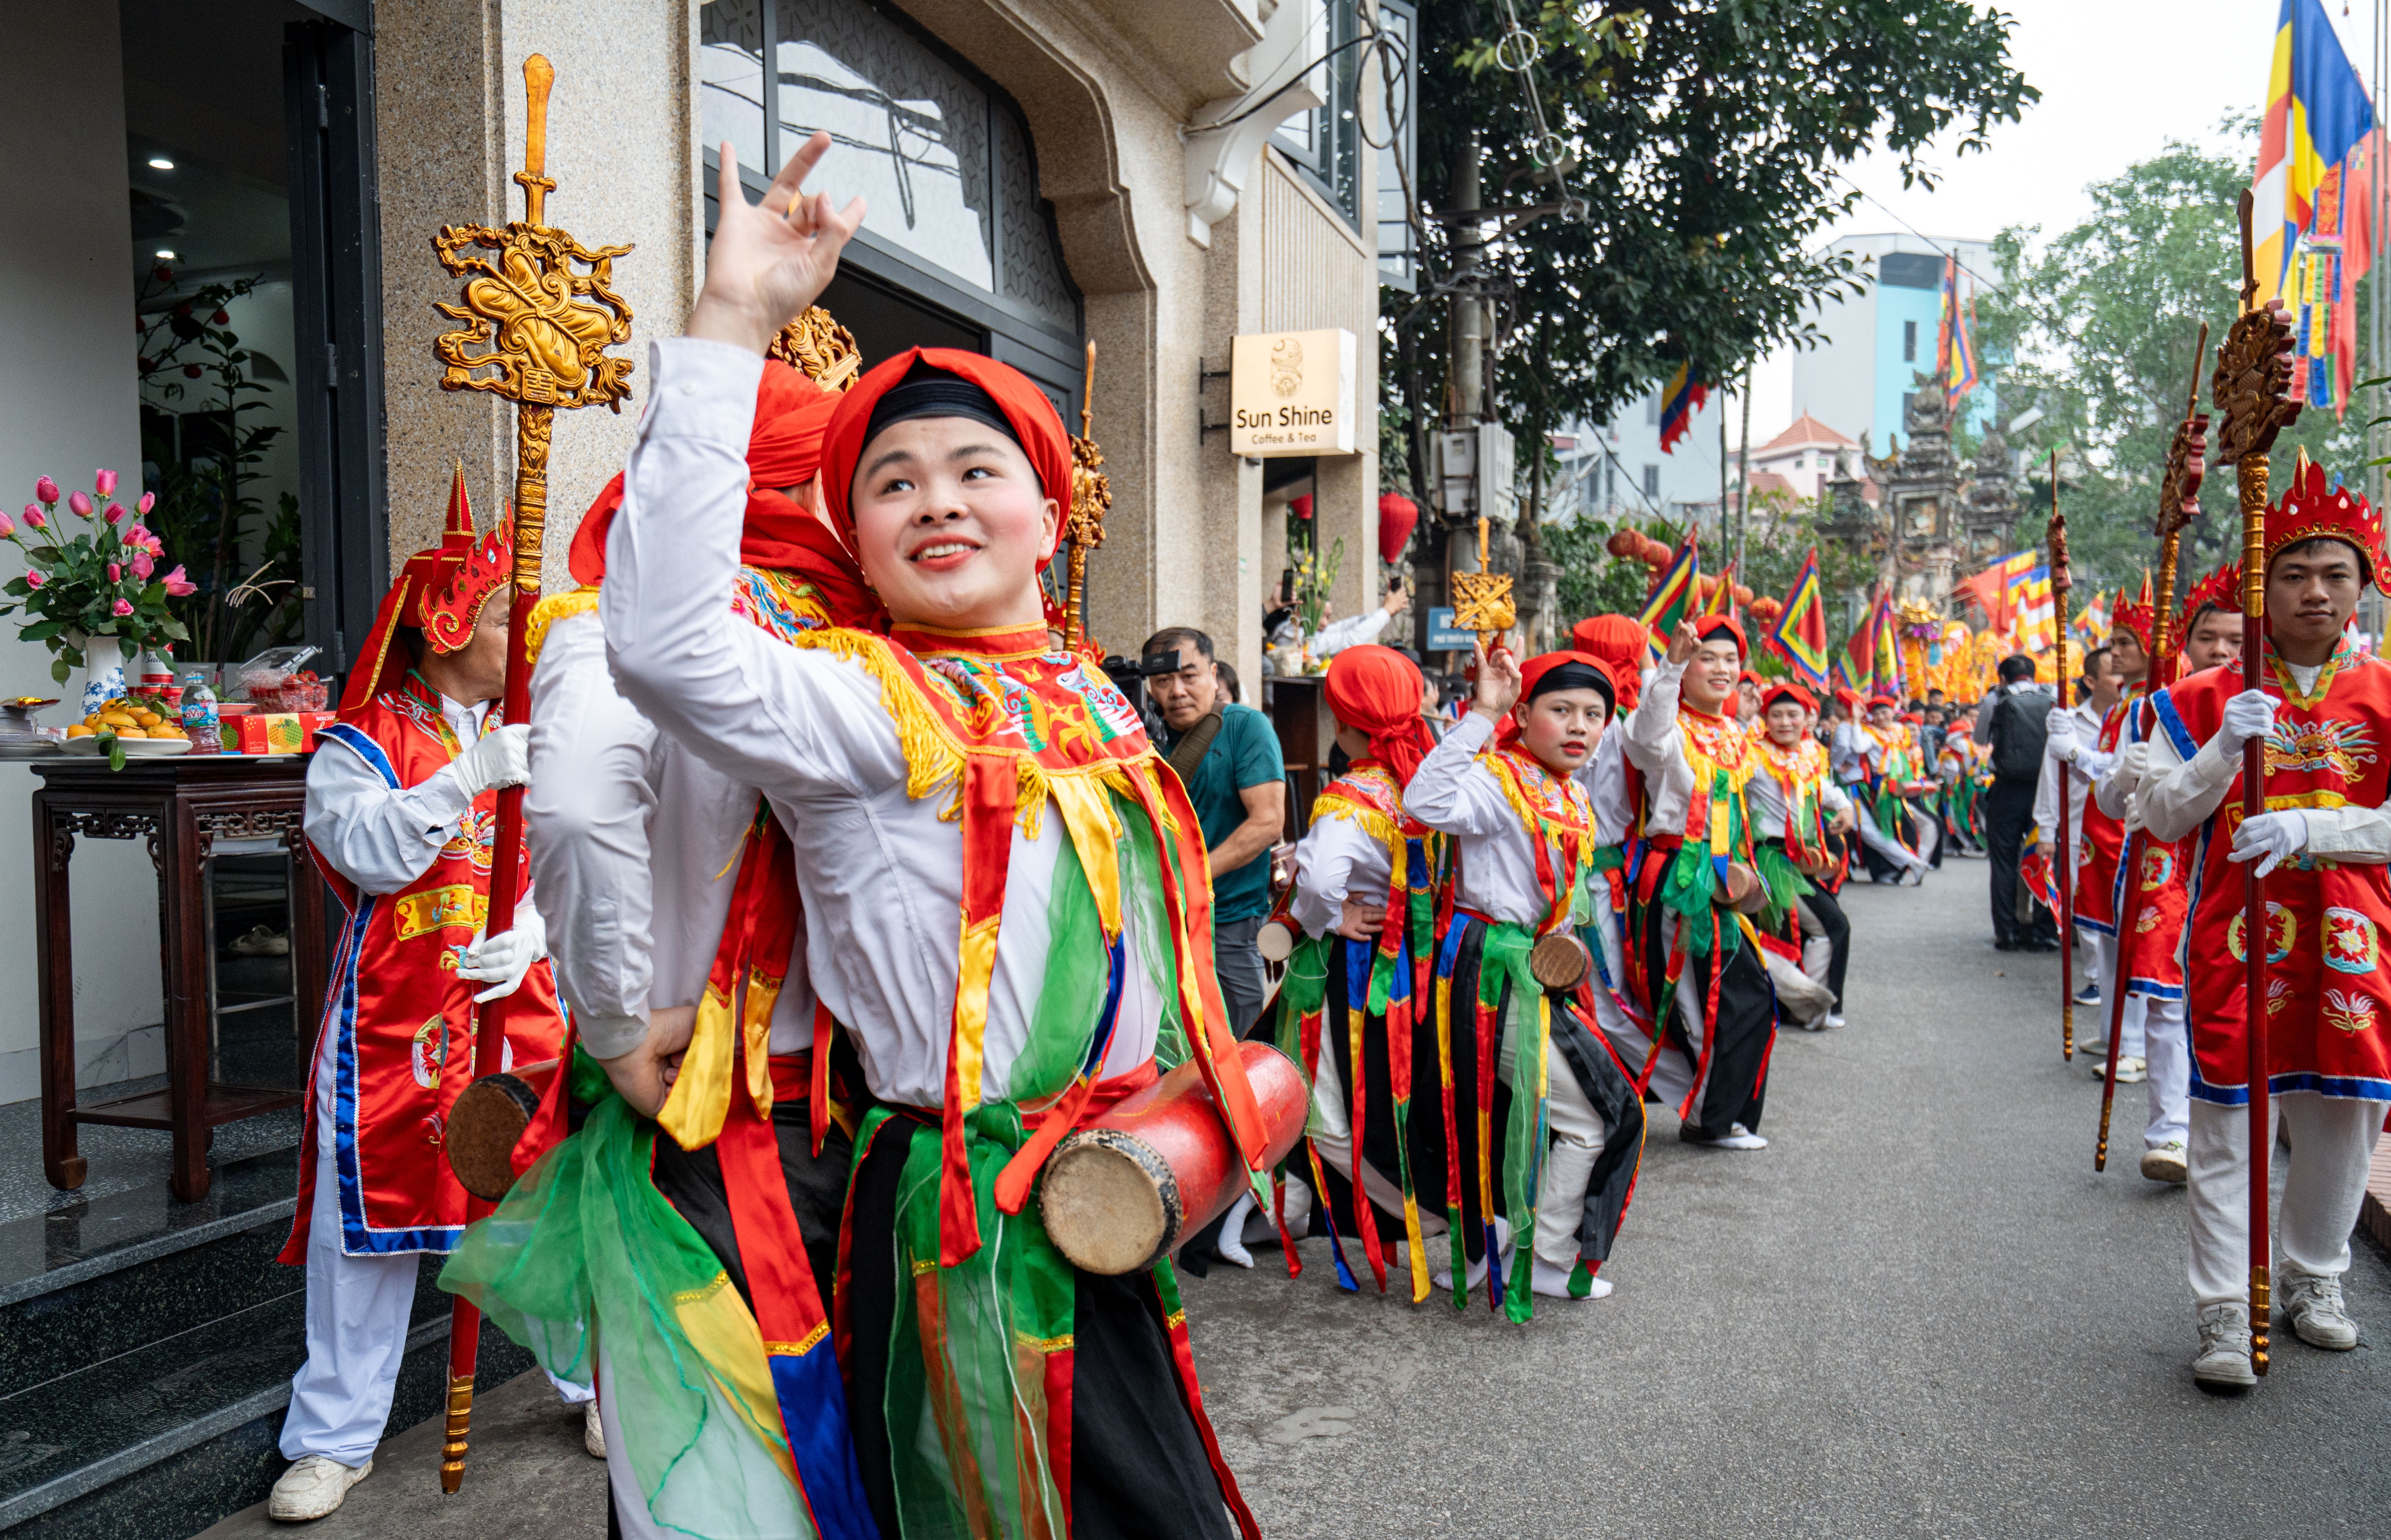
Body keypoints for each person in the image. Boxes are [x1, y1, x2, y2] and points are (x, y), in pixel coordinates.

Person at [597, 132, 1270, 1538]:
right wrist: (731, 324)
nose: (938, 500)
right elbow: (662, 645)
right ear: (855, 532)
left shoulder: (1089, 691)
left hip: (1107, 1190)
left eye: (975, 470)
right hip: (959, 1224)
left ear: (1046, 519)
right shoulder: (855, 704)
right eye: (891, 485)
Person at [444, 363, 887, 1537]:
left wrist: (612, 1033)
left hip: (686, 1112)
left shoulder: (604, 624)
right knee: (878, 1441)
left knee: (699, 1472)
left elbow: (581, 815)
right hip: (884, 1116)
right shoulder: (878, 639)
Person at [269, 475, 578, 1522]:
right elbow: (363, 850)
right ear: (445, 623)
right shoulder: (358, 741)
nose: (519, 630)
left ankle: (593, 1387)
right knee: (366, 1232)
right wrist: (462, 779)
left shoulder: (537, 728)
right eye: (502, 612)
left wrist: (534, 924)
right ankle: (333, 1438)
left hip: (515, 1010)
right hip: (393, 1025)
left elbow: (573, 851)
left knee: (547, 1202)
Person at [2137, 458, 2391, 1391]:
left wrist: (2314, 829)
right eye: (2292, 574)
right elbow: (2159, 817)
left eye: (2334, 574)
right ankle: (2220, 1303)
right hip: (2235, 939)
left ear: (2362, 587)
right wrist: (2216, 754)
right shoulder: (2203, 698)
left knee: (2343, 1115)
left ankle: (2312, 1277)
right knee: (2224, 1120)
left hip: (2354, 939)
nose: (2314, 591)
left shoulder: (2387, 694)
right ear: (2260, 587)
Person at [1405, 642, 1646, 1309]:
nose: (1578, 725)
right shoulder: (1496, 777)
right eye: (1560, 708)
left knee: (1547, 1112)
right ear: (1524, 712)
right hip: (1491, 973)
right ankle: (1540, 1255)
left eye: (1593, 714)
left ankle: (1513, 1245)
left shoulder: (1568, 792)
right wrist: (1483, 711)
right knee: (1590, 1117)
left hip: (1542, 970)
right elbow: (1423, 803)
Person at [1256, 645, 1445, 1288]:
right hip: (1410, 965)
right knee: (1389, 1089)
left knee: (1321, 1100)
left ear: (1343, 724)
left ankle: (1414, 1210)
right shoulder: (1419, 786)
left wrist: (1326, 917)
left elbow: (1320, 883)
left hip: (1350, 966)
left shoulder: (1347, 797)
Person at [2085, 563, 2246, 1188]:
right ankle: (2169, 1132)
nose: (2223, 651)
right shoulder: (2155, 708)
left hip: (2239, 867)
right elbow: (2103, 802)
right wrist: (2123, 774)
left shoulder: (2275, 702)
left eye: (2236, 639)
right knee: (2163, 997)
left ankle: (2223, 1134)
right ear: (2186, 641)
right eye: (2210, 637)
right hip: (2162, 865)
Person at [1623, 615, 1777, 1150]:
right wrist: (1666, 667)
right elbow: (1642, 739)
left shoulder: (1735, 733)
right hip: (1676, 882)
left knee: (1750, 992)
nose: (1721, 668)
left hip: (1721, 883)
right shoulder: (1668, 729)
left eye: (1730, 659)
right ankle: (1710, 1119)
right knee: (1701, 1002)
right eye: (1706, 657)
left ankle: (1722, 1112)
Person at [1145, 625, 1288, 1037]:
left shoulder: (1246, 728)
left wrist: (1190, 877)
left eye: (1188, 676)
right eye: (1162, 680)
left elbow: (1266, 822)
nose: (1176, 691)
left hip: (1227, 921)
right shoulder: (1136, 733)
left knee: (1235, 1040)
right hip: (1155, 919)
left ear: (1212, 673)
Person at [2046, 642, 2140, 1074]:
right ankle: (2112, 1033)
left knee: (2135, 939)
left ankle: (2134, 1046)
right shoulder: (2123, 706)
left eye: (2125, 643)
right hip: (2101, 833)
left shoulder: (2152, 702)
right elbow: (2104, 770)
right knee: (2106, 932)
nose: (2115, 652)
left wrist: (2072, 751)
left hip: (2134, 834)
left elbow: (2126, 772)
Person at [1747, 682, 1857, 1029]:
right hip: (1771, 859)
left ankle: (1809, 1005)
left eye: (1793, 714)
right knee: (1831, 926)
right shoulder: (1752, 755)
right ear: (1764, 718)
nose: (1784, 722)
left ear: (1807, 718)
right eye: (1776, 714)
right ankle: (1816, 1007)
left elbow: (1826, 790)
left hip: (1802, 859)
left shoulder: (1811, 754)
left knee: (1815, 930)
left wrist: (1845, 808)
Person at [1981, 653, 2058, 951]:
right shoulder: (2051, 696)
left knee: (2003, 861)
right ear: (2034, 675)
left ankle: (2008, 932)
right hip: (2046, 787)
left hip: (2008, 788)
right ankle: (2044, 932)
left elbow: (1980, 739)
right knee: (2046, 857)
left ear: (2003, 677)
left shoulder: (1996, 699)